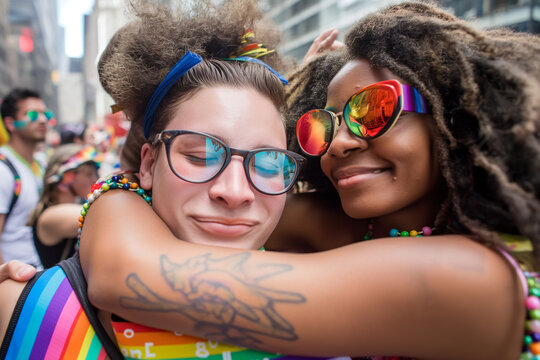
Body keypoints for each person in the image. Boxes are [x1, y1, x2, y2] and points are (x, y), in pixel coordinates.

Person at [4, 1, 539, 359]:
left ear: (456, 117)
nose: (339, 142)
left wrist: (112, 195)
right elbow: (230, 200)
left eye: (374, 110)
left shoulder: (474, 277)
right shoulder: (357, 231)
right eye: (319, 124)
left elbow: (128, 272)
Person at [0, 2, 349, 359]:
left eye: (269, 163)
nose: (234, 192)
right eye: (200, 156)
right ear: (148, 165)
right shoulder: (27, 311)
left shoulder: (344, 321)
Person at [0, 88, 50, 269]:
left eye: (45, 114)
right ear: (11, 123)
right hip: (14, 284)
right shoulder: (3, 170)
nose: (43, 120)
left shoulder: (42, 164)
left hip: (39, 276)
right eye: (32, 114)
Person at [28, 144, 100, 268]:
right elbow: (100, 215)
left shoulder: (73, 206)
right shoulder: (50, 215)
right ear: (67, 177)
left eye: (95, 174)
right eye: (89, 174)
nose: (95, 179)